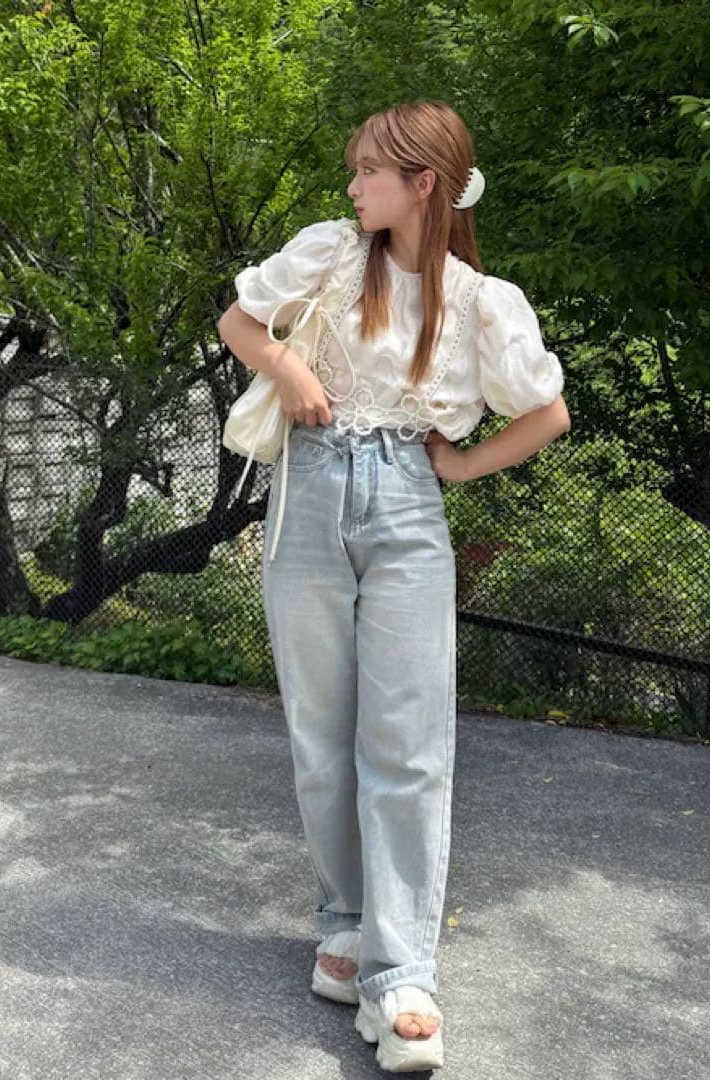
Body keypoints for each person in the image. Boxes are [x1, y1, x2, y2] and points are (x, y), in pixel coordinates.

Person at [218, 99, 571, 1073]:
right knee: (320, 732)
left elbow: (546, 412)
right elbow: (240, 320)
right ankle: (344, 925)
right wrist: (288, 369)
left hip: (408, 505)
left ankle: (403, 974)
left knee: (408, 743)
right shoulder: (331, 253)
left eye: (369, 170)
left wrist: (459, 466)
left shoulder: (480, 300)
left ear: (423, 183)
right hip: (308, 491)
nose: (352, 185)